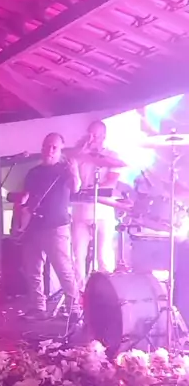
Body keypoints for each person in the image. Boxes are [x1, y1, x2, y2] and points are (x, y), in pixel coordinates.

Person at [14, 133, 81, 319]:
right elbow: (27, 197)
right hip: (34, 225)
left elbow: (75, 187)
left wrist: (75, 171)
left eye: (54, 147)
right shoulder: (33, 172)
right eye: (47, 146)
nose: (49, 150)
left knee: (63, 269)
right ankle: (38, 307)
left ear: (60, 150)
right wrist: (22, 207)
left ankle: (74, 308)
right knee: (32, 269)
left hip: (56, 226)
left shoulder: (65, 170)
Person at [71, 120, 121, 290]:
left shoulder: (112, 155)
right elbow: (72, 177)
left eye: (96, 135)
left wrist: (93, 190)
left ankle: (107, 293)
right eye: (90, 134)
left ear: (104, 136)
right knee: (78, 254)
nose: (92, 138)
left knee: (103, 255)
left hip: (103, 211)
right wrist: (80, 151)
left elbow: (112, 181)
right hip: (80, 211)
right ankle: (79, 293)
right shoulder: (80, 155)